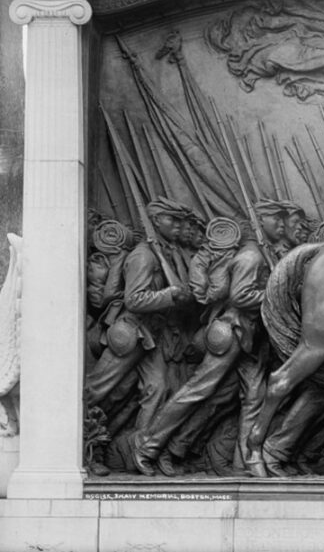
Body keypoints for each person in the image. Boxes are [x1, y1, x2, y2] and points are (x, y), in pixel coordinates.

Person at [131, 202, 287, 476]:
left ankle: (245, 462)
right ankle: (146, 444)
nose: (284, 227)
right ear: (262, 223)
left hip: (252, 337)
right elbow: (240, 296)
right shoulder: (250, 257)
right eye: (279, 220)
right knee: (197, 390)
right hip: (231, 332)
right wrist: (278, 295)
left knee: (253, 395)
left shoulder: (262, 253)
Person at [84, 198, 193, 433]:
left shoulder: (163, 253)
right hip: (131, 332)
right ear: (155, 221)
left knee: (158, 388)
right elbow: (134, 300)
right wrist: (169, 295)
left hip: (150, 336)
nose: (177, 225)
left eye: (179, 220)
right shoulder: (143, 256)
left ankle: (141, 448)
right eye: (171, 219)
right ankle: (63, 437)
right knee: (98, 389)